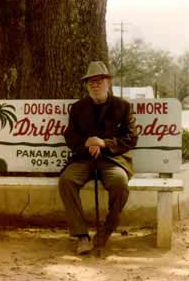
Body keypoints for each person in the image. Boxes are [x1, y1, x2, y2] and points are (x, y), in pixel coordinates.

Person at [58, 61, 138, 255]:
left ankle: (106, 230)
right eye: (90, 82)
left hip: (112, 160)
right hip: (84, 159)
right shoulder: (78, 108)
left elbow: (131, 138)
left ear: (108, 82)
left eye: (99, 80)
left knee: (120, 182)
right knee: (66, 181)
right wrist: (87, 142)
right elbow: (71, 136)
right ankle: (81, 236)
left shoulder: (123, 106)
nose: (94, 85)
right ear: (87, 85)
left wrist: (104, 143)